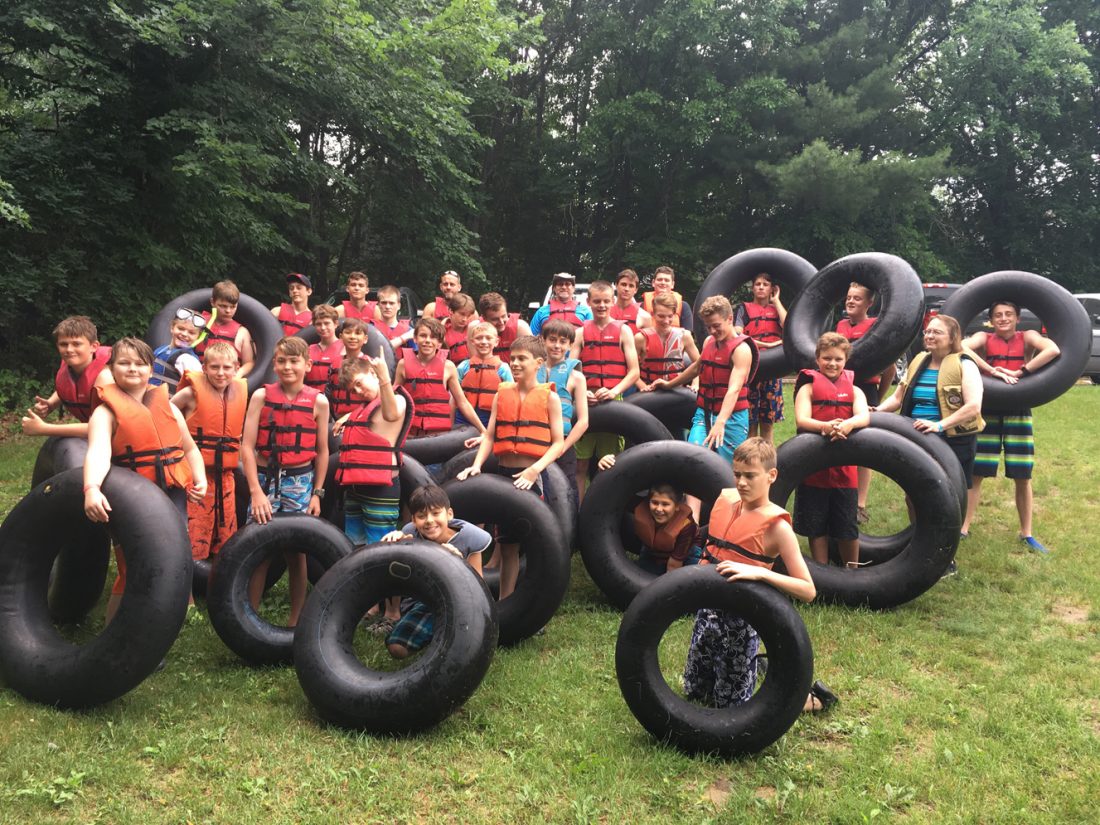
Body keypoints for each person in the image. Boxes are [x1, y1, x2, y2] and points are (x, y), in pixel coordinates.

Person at [683, 438, 835, 713]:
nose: (742, 482)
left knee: (732, 707)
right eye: (737, 474)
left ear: (771, 475)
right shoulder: (726, 502)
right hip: (708, 608)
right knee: (695, 690)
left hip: (742, 619)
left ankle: (809, 700)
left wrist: (760, 573)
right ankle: (756, 666)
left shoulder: (778, 529)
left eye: (750, 476)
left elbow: (808, 590)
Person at [83, 338, 207, 622]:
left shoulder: (169, 407)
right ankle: (115, 629)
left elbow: (189, 448)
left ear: (151, 370)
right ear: (111, 369)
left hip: (171, 493)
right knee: (132, 564)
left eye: (140, 364)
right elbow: (98, 452)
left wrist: (199, 478)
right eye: (124, 363)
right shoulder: (105, 413)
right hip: (132, 498)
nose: (132, 369)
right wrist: (91, 488)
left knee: (176, 552)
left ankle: (174, 611)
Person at [457, 335, 565, 598]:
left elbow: (558, 443)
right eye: (513, 358)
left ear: (538, 362)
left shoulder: (550, 398)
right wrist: (477, 465)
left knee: (536, 543)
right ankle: (505, 600)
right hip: (505, 475)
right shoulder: (502, 393)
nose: (515, 363)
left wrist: (534, 470)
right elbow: (490, 436)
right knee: (507, 546)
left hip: (533, 477)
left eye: (522, 359)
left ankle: (535, 601)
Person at [876, 315, 984, 573]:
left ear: (952, 337)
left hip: (952, 440)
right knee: (913, 494)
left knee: (948, 501)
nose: (930, 336)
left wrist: (940, 425)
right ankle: (920, 545)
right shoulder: (918, 361)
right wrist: (877, 411)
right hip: (917, 438)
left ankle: (946, 557)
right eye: (928, 332)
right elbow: (898, 398)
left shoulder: (965, 364)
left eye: (937, 332)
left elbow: (973, 407)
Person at [240, 336, 330, 627]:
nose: (288, 367)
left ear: (307, 365)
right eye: (282, 361)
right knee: (259, 549)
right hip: (264, 480)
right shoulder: (261, 397)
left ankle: (296, 620)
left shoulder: (319, 402)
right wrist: (255, 492)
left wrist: (316, 494)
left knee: (296, 552)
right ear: (274, 364)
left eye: (294, 361)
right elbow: (246, 447)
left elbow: (322, 451)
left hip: (299, 481)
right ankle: (249, 618)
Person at [961, 300, 1061, 552]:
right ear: (991, 320)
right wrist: (991, 370)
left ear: (1017, 318)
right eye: (997, 315)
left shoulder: (1028, 336)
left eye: (1008, 314)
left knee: (1022, 475)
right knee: (976, 473)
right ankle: (963, 528)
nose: (1003, 318)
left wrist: (1022, 372)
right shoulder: (983, 338)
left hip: (1019, 410)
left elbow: (1052, 350)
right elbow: (961, 346)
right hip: (989, 410)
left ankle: (1027, 534)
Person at [379, 485, 491, 659]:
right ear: (413, 520)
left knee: (460, 652)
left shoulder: (470, 538)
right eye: (421, 516)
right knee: (397, 648)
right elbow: (396, 577)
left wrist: (459, 562)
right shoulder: (410, 534)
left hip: (461, 603)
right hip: (425, 601)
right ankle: (431, 633)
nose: (429, 521)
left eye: (436, 513)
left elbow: (479, 588)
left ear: (449, 514)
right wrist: (396, 546)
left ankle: (443, 633)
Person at [792, 332, 870, 567]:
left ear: (845, 360)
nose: (832, 363)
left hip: (845, 471)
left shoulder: (855, 390)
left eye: (838, 359)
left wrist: (849, 424)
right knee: (816, 526)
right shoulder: (808, 388)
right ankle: (823, 570)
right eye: (827, 358)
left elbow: (864, 416)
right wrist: (825, 426)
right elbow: (802, 420)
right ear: (817, 359)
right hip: (813, 469)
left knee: (847, 526)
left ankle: (852, 570)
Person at [653, 296, 757, 462]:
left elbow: (734, 389)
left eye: (716, 326)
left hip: (732, 417)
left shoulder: (741, 350)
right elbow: (697, 367)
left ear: (729, 319)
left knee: (729, 466)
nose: (712, 331)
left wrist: (720, 422)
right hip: (705, 412)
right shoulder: (709, 341)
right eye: (709, 327)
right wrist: (668, 384)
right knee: (693, 458)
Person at [171, 341, 247, 565]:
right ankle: (189, 572)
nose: (220, 373)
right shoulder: (189, 393)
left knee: (226, 527)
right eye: (214, 367)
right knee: (196, 527)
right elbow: (166, 415)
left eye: (226, 367)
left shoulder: (239, 393)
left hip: (226, 475)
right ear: (204, 368)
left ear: (236, 368)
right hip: (196, 474)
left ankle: (218, 570)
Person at [332, 352, 412, 547]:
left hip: (381, 489)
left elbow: (391, 414)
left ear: (372, 373)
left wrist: (384, 377)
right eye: (353, 390)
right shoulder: (362, 410)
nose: (358, 391)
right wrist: (347, 416)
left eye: (359, 383)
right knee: (354, 546)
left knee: (380, 549)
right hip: (355, 488)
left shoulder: (397, 400)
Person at [570, 280, 640, 502]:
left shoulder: (624, 331)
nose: (601, 305)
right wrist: (581, 392)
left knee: (610, 462)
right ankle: (579, 509)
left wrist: (613, 391)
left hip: (612, 402)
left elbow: (634, 372)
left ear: (613, 302)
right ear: (589, 302)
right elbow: (569, 369)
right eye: (597, 301)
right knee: (580, 464)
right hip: (586, 402)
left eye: (606, 301)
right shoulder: (580, 333)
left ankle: (605, 507)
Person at [835, 281, 895, 523]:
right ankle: (839, 495)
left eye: (857, 298)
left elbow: (890, 368)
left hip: (866, 389)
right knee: (839, 438)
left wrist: (877, 399)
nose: (851, 301)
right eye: (849, 297)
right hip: (840, 389)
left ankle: (860, 504)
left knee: (863, 446)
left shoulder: (874, 327)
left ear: (869, 303)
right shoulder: (840, 326)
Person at [22, 315, 113, 438]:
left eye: (77, 344)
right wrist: (51, 404)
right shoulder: (71, 367)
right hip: (100, 437)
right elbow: (73, 386)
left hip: (122, 440)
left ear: (94, 346)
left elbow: (105, 427)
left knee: (68, 445)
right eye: (64, 344)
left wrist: (44, 429)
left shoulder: (107, 376)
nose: (69, 349)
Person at [393, 317, 485, 438]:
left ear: (439, 343)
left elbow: (462, 402)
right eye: (423, 336)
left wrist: (483, 431)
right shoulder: (403, 364)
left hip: (439, 436)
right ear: (415, 339)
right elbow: (393, 399)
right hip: (410, 433)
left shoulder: (448, 367)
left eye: (433, 337)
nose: (427, 340)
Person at [537, 319, 589, 518]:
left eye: (562, 341)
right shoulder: (532, 370)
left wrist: (563, 447)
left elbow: (583, 421)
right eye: (552, 340)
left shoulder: (576, 377)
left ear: (570, 345)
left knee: (567, 490)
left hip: (563, 446)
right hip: (536, 441)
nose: (557, 345)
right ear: (543, 341)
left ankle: (570, 531)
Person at [733, 272, 786, 445]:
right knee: (750, 423)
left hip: (772, 370)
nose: (761, 287)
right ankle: (750, 458)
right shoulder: (743, 308)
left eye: (765, 284)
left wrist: (776, 301)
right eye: (758, 284)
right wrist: (768, 345)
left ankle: (768, 459)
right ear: (753, 288)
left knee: (767, 424)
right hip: (751, 368)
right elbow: (738, 333)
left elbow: (789, 327)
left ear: (772, 289)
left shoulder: (777, 310)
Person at [635, 293, 701, 392]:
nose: (666, 321)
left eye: (670, 316)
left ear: (674, 315)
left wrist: (695, 384)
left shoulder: (685, 336)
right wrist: (643, 386)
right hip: (648, 390)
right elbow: (630, 369)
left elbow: (699, 364)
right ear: (653, 314)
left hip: (676, 390)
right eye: (661, 316)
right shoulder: (640, 338)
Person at [456, 321, 513, 427]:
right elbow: (453, 396)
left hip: (490, 419)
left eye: (488, 338)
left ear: (496, 342)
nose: (483, 341)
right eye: (479, 338)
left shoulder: (503, 368)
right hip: (463, 417)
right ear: (472, 341)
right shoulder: (463, 366)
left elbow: (510, 398)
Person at [196, 280, 255, 378]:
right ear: (212, 302)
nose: (228, 311)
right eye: (223, 306)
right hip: (198, 376)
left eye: (233, 307)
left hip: (226, 379)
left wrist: (238, 374)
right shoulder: (198, 323)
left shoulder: (242, 332)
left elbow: (249, 363)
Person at [324, 317, 370, 421]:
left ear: (365, 339)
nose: (352, 337)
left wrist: (350, 416)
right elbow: (329, 392)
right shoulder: (334, 364)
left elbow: (375, 399)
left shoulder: (370, 365)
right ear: (341, 337)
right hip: (336, 419)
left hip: (362, 420)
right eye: (348, 333)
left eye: (358, 333)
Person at [149, 308, 203, 389]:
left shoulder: (188, 359)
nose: (184, 334)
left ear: (197, 337)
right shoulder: (160, 350)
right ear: (172, 327)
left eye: (191, 333)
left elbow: (199, 388)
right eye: (181, 328)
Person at [478, 292, 531, 359]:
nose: (501, 322)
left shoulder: (521, 327)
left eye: (503, 316)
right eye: (495, 319)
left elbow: (532, 356)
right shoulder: (476, 329)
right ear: (484, 318)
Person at [305, 305, 343, 390]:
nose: (323, 328)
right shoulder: (308, 350)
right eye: (318, 324)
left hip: (335, 395)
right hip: (313, 395)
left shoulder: (346, 348)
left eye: (326, 323)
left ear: (336, 324)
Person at [371, 285, 414, 350]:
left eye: (391, 303)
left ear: (399, 306)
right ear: (378, 305)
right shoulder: (371, 329)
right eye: (384, 303)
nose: (387, 307)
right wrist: (403, 338)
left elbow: (415, 355)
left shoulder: (409, 331)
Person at [609, 269, 651, 334]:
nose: (626, 289)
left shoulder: (644, 316)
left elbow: (649, 340)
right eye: (623, 284)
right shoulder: (605, 312)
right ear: (616, 285)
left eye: (631, 286)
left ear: (636, 290)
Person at [442, 293, 477, 365]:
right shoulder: (442, 332)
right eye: (462, 314)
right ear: (450, 311)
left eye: (468, 316)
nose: (465, 319)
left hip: (473, 368)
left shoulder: (474, 330)